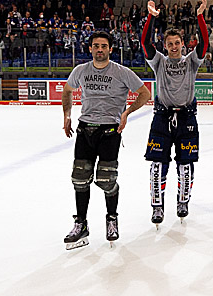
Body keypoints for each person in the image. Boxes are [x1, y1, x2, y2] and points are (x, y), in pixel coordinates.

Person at [61, 31, 151, 249]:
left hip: (109, 131)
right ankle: (81, 224)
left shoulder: (122, 72)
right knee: (80, 178)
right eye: (95, 46)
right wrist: (67, 114)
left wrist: (126, 113)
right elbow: (67, 90)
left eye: (103, 46)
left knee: (106, 179)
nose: (99, 49)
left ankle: (112, 219)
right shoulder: (80, 70)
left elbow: (145, 93)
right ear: (90, 48)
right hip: (85, 130)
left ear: (110, 49)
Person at [141, 0, 209, 227]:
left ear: (183, 44)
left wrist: (200, 16)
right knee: (157, 165)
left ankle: (183, 201)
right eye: (169, 43)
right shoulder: (158, 61)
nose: (173, 46)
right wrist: (151, 17)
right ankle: (157, 206)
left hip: (187, 118)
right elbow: (144, 43)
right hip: (162, 117)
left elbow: (205, 43)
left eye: (177, 42)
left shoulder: (192, 61)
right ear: (165, 45)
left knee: (185, 166)